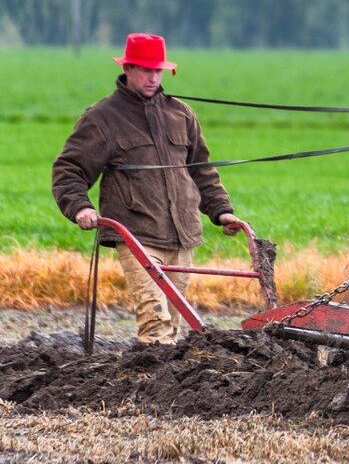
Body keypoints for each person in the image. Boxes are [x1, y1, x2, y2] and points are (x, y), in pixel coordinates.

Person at [52, 33, 244, 345]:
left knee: (174, 330)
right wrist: (80, 207)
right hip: (137, 236)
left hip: (183, 237)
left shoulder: (180, 114)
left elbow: (202, 170)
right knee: (156, 327)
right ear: (128, 68)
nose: (153, 78)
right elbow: (68, 169)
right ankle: (145, 387)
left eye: (158, 71)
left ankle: (164, 386)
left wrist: (222, 212)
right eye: (146, 70)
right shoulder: (102, 118)